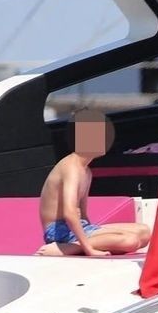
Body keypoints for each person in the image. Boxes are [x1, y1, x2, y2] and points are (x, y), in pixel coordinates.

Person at [36, 110, 150, 256]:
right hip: (59, 231)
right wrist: (89, 249)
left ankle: (76, 245)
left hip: (79, 227)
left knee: (144, 232)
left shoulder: (86, 171)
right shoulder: (71, 167)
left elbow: (83, 215)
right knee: (131, 241)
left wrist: (100, 237)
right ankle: (68, 248)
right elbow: (69, 213)